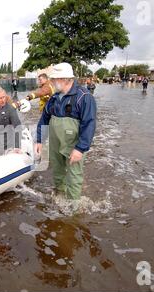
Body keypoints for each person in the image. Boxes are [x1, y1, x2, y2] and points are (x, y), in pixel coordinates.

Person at [35, 63, 97, 200]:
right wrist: (39, 140)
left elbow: (89, 124)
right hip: (56, 142)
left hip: (73, 144)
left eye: (54, 79)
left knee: (74, 175)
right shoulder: (54, 97)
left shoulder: (84, 97)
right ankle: (59, 194)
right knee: (57, 170)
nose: (51, 82)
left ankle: (73, 209)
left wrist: (80, 149)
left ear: (65, 79)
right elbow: (44, 119)